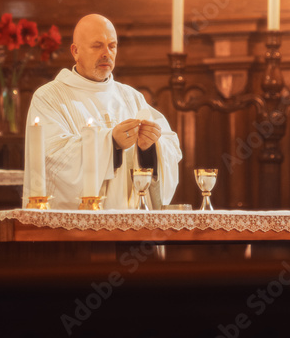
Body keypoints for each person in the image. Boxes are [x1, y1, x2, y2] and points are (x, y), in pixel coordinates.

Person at [25, 14, 181, 210]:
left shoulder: (131, 97)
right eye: (97, 46)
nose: (106, 53)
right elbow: (52, 160)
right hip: (77, 231)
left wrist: (149, 148)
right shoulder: (49, 97)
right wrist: (111, 142)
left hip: (131, 225)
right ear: (75, 51)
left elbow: (170, 148)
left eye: (112, 46)